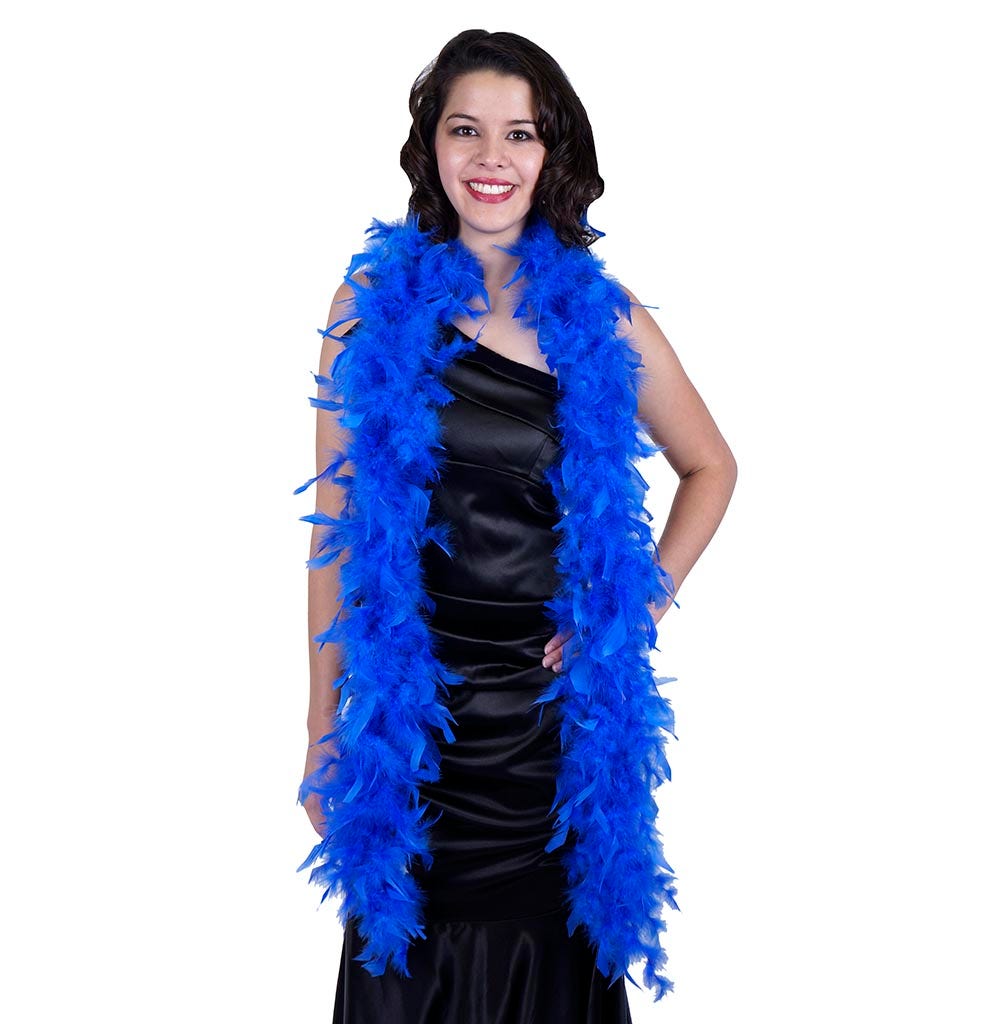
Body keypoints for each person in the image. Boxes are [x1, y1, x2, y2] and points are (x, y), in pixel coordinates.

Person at [298, 28, 737, 1024]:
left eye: (519, 134)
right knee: (404, 960)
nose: (490, 157)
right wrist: (321, 726)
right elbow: (333, 527)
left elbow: (710, 467)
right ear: (431, 146)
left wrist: (634, 610)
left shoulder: (600, 316)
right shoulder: (366, 305)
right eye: (466, 130)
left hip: (545, 725)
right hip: (408, 723)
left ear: (552, 154)